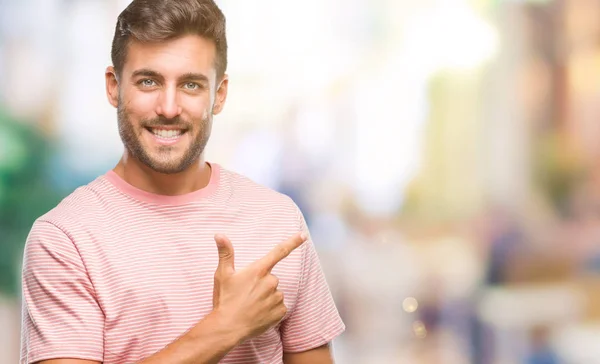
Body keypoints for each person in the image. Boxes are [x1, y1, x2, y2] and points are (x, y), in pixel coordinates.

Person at [19, 0, 345, 363]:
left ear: (218, 95)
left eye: (191, 84)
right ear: (114, 87)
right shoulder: (64, 239)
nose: (169, 107)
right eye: (148, 81)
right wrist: (225, 326)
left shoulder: (278, 220)